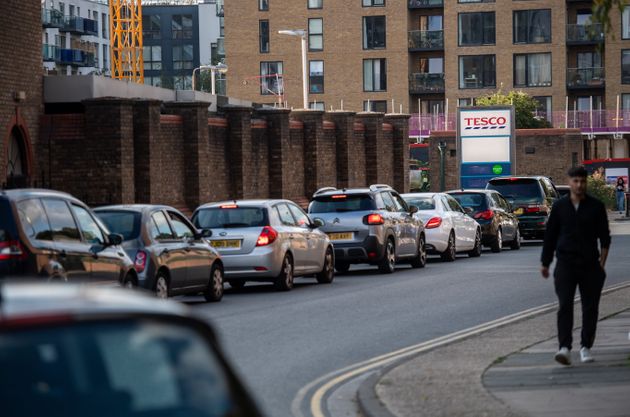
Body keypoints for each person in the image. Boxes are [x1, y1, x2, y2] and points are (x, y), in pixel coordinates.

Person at [541, 166, 610, 366]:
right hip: (565, 264)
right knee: (565, 306)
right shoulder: (560, 207)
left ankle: (586, 347)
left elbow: (605, 239)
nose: (579, 185)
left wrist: (601, 265)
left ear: (585, 183)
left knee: (590, 308)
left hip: (590, 264)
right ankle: (564, 348)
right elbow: (550, 237)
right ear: (569, 182)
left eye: (582, 181)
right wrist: (545, 263)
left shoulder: (596, 207)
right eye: (575, 181)